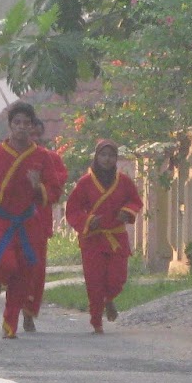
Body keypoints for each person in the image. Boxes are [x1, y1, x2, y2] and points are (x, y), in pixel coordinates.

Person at [0, 102, 68, 338]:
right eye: (17, 123)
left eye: (26, 124)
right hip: (0, 220)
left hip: (28, 221)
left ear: (32, 127)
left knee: (26, 271)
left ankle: (10, 323)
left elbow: (54, 189)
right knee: (6, 265)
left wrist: (37, 186)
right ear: (10, 126)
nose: (21, 128)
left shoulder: (42, 156)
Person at [65, 138, 143, 333]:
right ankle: (96, 321)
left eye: (111, 156)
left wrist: (127, 211)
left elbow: (135, 201)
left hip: (116, 238)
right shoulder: (84, 183)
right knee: (94, 281)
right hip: (93, 239)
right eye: (103, 155)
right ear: (96, 157)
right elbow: (73, 210)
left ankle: (109, 299)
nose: (107, 159)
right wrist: (88, 220)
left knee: (117, 279)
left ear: (116, 158)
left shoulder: (123, 181)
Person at [18, 118, 68, 332]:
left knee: (36, 270)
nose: (34, 139)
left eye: (38, 134)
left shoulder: (50, 159)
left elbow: (57, 185)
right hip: (12, 221)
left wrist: (39, 185)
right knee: (13, 266)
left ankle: (29, 311)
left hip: (39, 221)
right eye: (30, 134)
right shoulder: (9, 156)